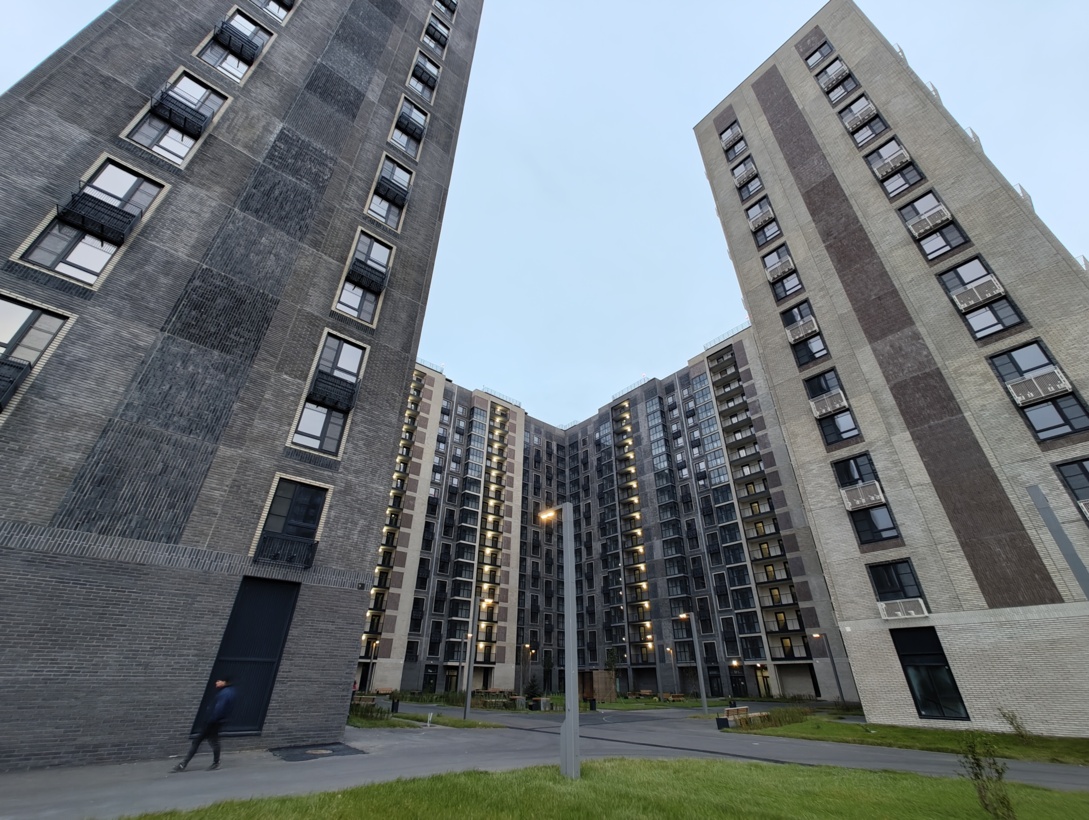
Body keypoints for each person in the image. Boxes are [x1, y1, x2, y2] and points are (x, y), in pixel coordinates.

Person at [172, 678, 236, 772]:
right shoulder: (226, 692)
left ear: (224, 682)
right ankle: (216, 763)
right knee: (213, 741)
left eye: (219, 681)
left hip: (213, 722)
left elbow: (219, 709)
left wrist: (211, 720)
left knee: (198, 741)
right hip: (216, 722)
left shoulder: (225, 693)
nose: (216, 682)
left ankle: (183, 764)